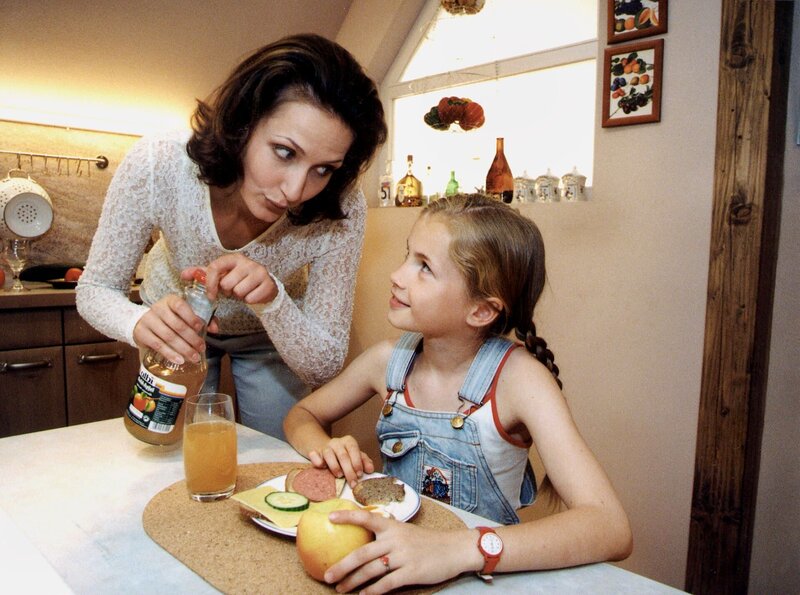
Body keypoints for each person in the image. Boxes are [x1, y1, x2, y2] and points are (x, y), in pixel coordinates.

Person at [283, 194, 632, 593]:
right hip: (394, 571)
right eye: (408, 256)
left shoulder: (521, 381)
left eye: (424, 268)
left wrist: (457, 550)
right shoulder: (387, 362)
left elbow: (610, 527)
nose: (397, 275)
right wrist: (322, 447)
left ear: (481, 311)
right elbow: (301, 416)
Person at [76, 34, 387, 439]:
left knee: (277, 466)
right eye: (285, 152)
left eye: (324, 169)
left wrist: (272, 300)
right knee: (173, 456)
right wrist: (140, 321)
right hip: (178, 330)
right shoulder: (160, 163)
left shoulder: (342, 204)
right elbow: (95, 289)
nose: (295, 191)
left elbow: (324, 363)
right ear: (244, 123)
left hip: (272, 334)